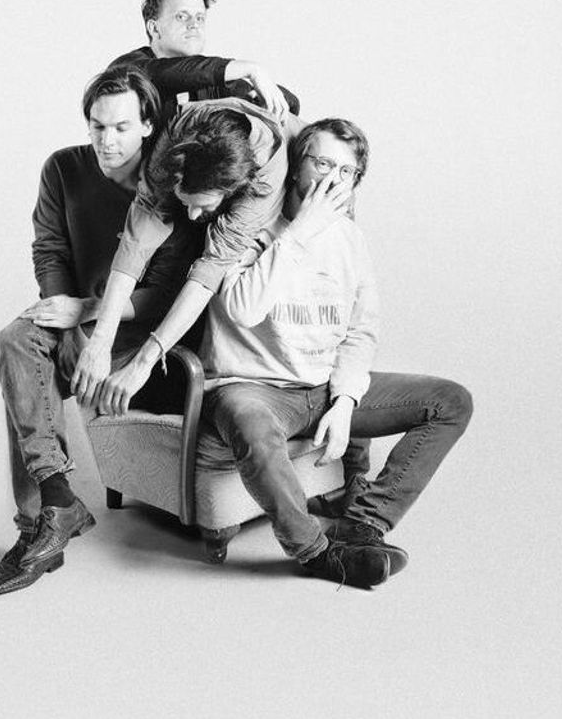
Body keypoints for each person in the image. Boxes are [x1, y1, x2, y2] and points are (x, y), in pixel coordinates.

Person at [198, 118, 473, 589]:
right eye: (322, 163)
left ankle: (364, 523)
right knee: (250, 422)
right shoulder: (245, 223)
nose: (332, 179)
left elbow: (360, 331)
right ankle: (316, 553)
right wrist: (300, 232)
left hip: (323, 386)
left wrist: (345, 402)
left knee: (450, 402)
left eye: (346, 172)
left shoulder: (349, 238)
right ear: (296, 166)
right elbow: (242, 309)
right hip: (253, 386)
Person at [0, 66, 200, 596]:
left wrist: (86, 311)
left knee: (25, 366)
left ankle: (42, 523)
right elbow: (50, 247)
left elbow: (166, 293)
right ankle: (56, 504)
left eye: (121, 127)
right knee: (17, 341)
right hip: (77, 322)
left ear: (148, 125)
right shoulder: (63, 168)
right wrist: (62, 311)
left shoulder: (171, 187)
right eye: (97, 126)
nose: (107, 140)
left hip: (138, 336)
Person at [70, 95, 301, 415]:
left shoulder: (264, 178)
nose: (192, 216)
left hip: (296, 173)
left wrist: (143, 364)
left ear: (231, 191)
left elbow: (210, 270)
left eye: (202, 206)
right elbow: (137, 239)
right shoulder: (177, 133)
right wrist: (100, 341)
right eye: (185, 202)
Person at [108, 0, 299, 121]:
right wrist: (253, 70)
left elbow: (289, 104)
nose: (194, 24)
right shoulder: (128, 69)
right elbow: (168, 73)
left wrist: (260, 98)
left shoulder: (208, 77)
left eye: (200, 18)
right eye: (182, 16)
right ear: (154, 28)